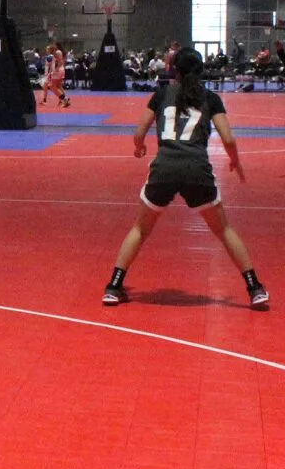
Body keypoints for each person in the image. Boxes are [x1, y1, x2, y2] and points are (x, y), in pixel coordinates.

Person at [102, 48, 268, 310]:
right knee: (224, 230)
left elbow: (138, 132)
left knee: (140, 229)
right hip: (196, 168)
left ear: (174, 71)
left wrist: (139, 148)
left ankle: (113, 286)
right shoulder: (210, 98)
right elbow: (228, 139)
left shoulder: (162, 94)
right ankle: (254, 287)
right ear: (201, 71)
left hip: (165, 167)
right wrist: (235, 161)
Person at [41, 42, 70, 108]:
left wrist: (51, 72)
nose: (47, 50)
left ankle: (64, 99)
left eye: (48, 49)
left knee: (52, 86)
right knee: (58, 86)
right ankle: (64, 99)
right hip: (61, 70)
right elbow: (59, 62)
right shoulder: (59, 52)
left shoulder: (54, 54)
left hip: (57, 71)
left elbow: (53, 65)